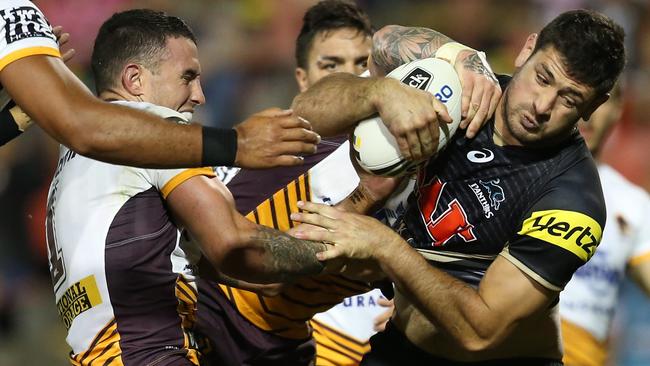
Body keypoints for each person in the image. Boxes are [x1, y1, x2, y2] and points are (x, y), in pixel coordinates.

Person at [291, 9, 625, 365]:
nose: (543, 106)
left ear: (594, 106)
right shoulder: (460, 88)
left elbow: (479, 333)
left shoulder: (572, 202)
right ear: (526, 50)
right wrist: (389, 87)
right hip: (401, 347)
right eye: (542, 78)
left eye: (569, 99)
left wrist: (383, 245)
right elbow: (308, 110)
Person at [46, 10, 329, 365]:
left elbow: (241, 272)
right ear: (135, 80)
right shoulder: (151, 124)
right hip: (150, 355)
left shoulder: (72, 166)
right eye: (188, 77)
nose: (199, 96)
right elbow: (231, 243)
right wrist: (337, 250)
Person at [0, 0, 320, 169]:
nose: (199, 97)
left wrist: (15, 119)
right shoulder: (10, 9)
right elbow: (82, 126)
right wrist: (238, 144)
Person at [559, 85, 650, 366]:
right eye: (578, 97)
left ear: (618, 110)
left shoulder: (633, 204)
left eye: (601, 101)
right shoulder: (516, 174)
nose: (588, 115)